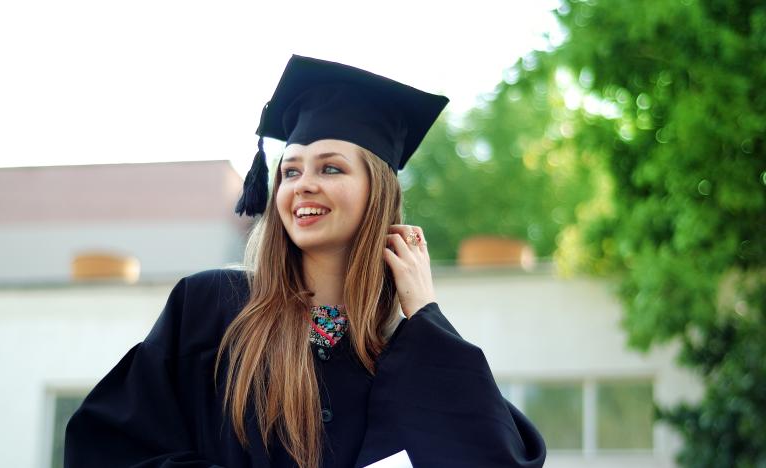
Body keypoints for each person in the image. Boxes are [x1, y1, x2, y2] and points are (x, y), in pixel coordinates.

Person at [64, 54, 547, 468]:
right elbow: (109, 447)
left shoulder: (408, 353)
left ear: (376, 192)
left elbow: (491, 458)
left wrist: (423, 311)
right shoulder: (213, 308)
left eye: (330, 168)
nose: (302, 185)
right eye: (290, 170)